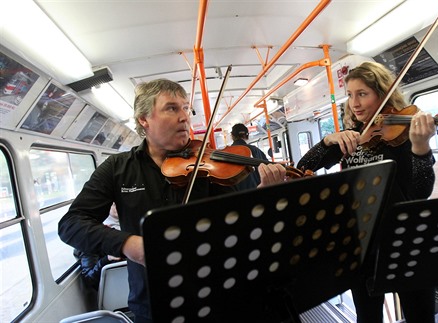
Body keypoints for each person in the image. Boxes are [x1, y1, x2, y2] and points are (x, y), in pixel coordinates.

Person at [58, 79, 286, 322]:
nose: (184, 117)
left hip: (212, 296)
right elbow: (71, 223)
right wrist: (128, 244)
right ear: (144, 119)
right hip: (152, 305)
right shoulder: (117, 168)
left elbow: (236, 222)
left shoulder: (207, 164)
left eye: (185, 108)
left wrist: (264, 196)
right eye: (171, 108)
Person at [296, 61, 437, 323]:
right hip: (361, 244)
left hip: (404, 242)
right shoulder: (354, 136)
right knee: (367, 318)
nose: (354, 103)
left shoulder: (405, 133)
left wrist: (420, 149)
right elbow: (303, 167)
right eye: (350, 95)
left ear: (382, 94)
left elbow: (420, 192)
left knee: (420, 318)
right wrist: (329, 140)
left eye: (362, 94)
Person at [75, 203, 122, 290]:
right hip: (114, 288)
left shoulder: (133, 228)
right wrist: (107, 259)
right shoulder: (92, 235)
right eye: (115, 205)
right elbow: (90, 278)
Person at [230, 123, 269, 191]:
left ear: (232, 136)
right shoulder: (256, 150)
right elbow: (267, 168)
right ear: (247, 136)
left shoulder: (227, 153)